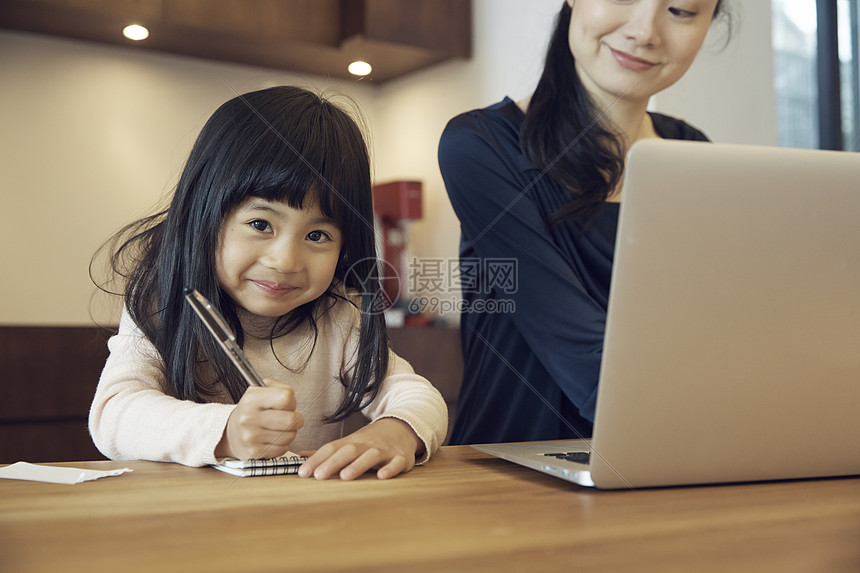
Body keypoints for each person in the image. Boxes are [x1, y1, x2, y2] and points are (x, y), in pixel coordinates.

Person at [89, 86, 447, 480]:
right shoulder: (161, 300)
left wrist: (397, 431)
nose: (286, 261)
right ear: (205, 213)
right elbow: (114, 413)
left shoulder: (340, 314)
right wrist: (226, 431)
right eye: (261, 224)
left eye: (318, 236)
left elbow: (417, 396)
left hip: (311, 525)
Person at [438, 0, 729, 444]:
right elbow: (578, 351)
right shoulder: (481, 146)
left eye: (681, 10)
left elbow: (712, 339)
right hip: (512, 472)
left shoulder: (696, 156)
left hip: (663, 463)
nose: (645, 31)